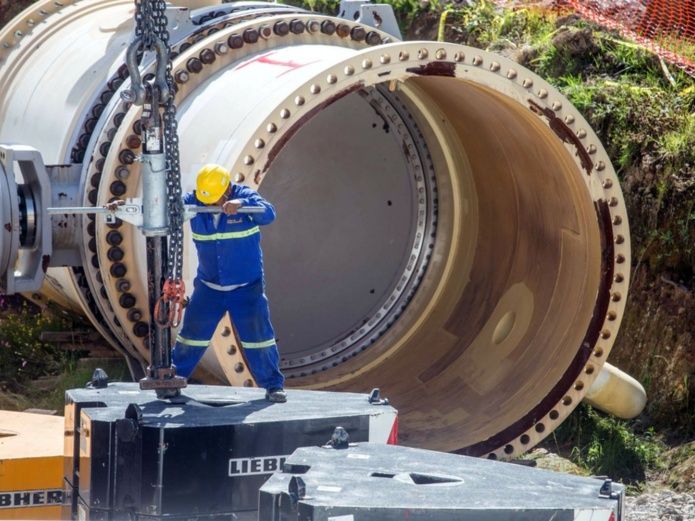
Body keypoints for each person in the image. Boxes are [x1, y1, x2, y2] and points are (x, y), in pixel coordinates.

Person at [172, 164, 286, 402]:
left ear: (226, 191)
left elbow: (269, 213)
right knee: (191, 337)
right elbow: (162, 208)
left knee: (258, 339)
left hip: (246, 289)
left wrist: (242, 207)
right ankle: (173, 380)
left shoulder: (244, 197)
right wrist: (126, 207)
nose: (209, 204)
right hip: (209, 288)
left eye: (215, 200)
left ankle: (273, 386)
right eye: (206, 200)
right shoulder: (196, 200)